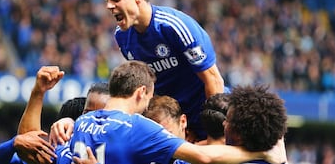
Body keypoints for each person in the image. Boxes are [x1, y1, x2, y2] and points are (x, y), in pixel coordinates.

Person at [63, 60, 286, 164]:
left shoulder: (83, 122)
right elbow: (202, 154)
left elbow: (203, 156)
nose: (224, 124)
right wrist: (265, 153)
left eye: (229, 120)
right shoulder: (137, 128)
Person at [99, 0, 225, 141]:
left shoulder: (174, 26)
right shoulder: (122, 37)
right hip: (173, 121)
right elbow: (149, 88)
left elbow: (214, 80)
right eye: (107, 0)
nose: (109, 6)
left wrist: (214, 135)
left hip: (206, 113)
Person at [224, 85, 288, 164]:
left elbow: (204, 156)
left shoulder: (222, 159)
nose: (223, 123)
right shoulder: (277, 159)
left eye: (227, 120)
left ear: (239, 136)